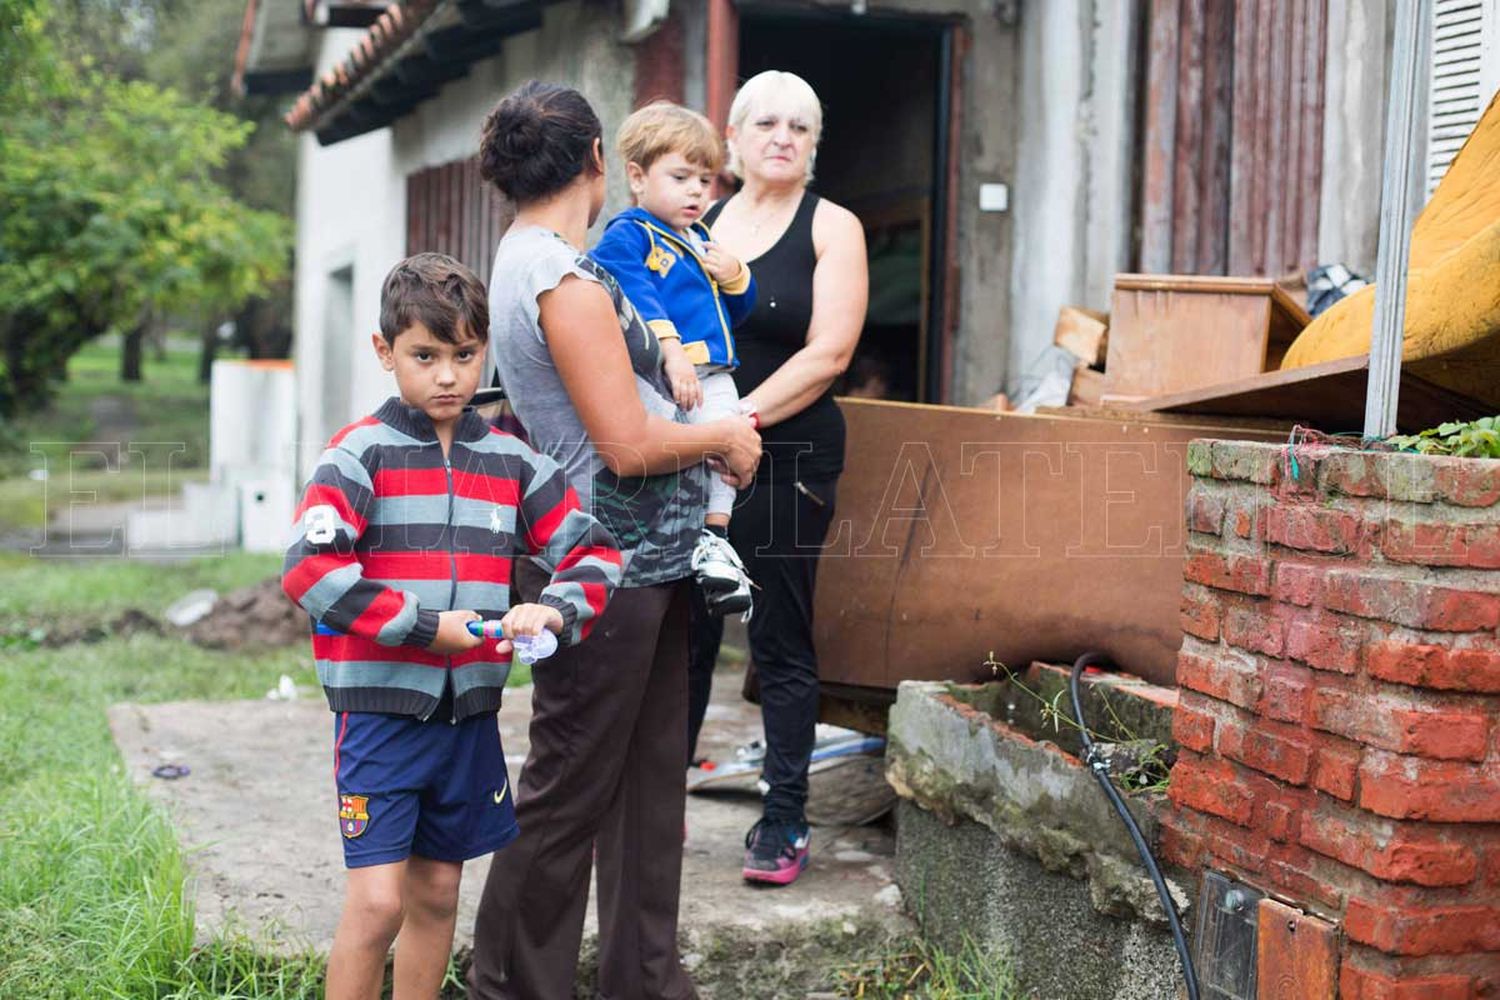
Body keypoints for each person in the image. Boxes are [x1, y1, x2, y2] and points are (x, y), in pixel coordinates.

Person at [467, 81, 761, 1000]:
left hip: (655, 556)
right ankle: (511, 984)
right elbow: (626, 444)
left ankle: (645, 978)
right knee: (569, 787)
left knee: (647, 783)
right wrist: (722, 436)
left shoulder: (544, 257)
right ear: (600, 159)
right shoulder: (561, 276)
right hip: (603, 560)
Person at [281, 252, 624, 1000]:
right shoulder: (357, 455)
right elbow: (310, 571)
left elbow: (596, 552)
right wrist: (421, 626)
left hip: (468, 717)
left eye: (465, 355)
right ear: (385, 352)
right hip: (379, 719)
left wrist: (554, 608)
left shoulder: (513, 463)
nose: (448, 376)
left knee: (438, 893)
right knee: (377, 904)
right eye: (425, 356)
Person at [688, 70, 868, 886]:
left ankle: (785, 818)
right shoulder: (700, 222)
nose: (783, 137)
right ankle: (659, 800)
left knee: (778, 635)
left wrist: (741, 424)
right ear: (733, 140)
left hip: (791, 454)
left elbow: (828, 354)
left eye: (801, 126)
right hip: (697, 455)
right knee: (685, 630)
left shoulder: (834, 227)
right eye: (766, 123)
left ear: (815, 145)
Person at [590, 101, 759, 618]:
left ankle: (714, 538)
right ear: (637, 177)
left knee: (727, 446)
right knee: (689, 451)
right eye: (681, 176)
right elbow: (633, 288)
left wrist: (736, 276)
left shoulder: (702, 238)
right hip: (672, 374)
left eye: (705, 180)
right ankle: (698, 543)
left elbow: (737, 313)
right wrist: (671, 351)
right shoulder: (631, 232)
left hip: (713, 370)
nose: (696, 191)